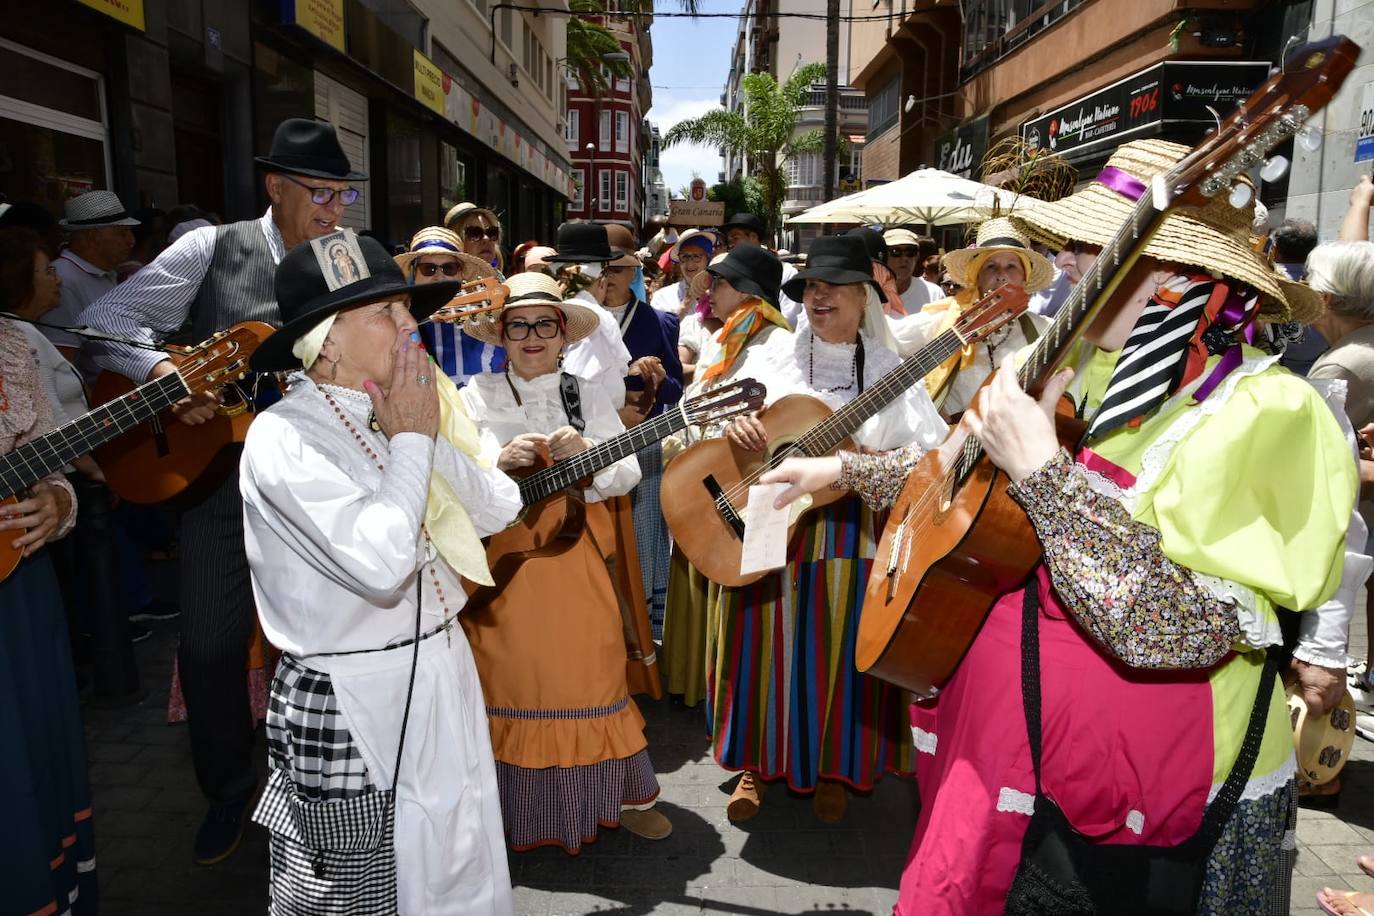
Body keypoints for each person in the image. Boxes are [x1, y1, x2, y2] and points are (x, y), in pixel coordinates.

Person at [767, 138, 1356, 913]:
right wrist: (844, 471)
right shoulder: (1094, 368)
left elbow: (1177, 630)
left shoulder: (1268, 412)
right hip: (1033, 756)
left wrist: (1043, 470)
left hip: (1161, 801)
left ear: (1175, 275)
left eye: (1090, 246)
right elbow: (967, 480)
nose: (1068, 264)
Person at [78, 117, 368, 865]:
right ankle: (229, 789)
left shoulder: (346, 258)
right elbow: (103, 322)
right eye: (320, 193)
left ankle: (337, 784)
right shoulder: (210, 247)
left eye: (343, 194)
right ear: (275, 187)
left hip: (324, 481)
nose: (335, 209)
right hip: (223, 483)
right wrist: (164, 375)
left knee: (331, 637)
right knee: (209, 646)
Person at [241, 230, 518, 913]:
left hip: (440, 667)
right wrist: (414, 439)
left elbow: (499, 507)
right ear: (327, 342)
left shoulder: (397, 410)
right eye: (385, 312)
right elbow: (380, 564)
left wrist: (423, 433)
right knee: (355, 894)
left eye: (405, 308)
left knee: (458, 859)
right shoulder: (284, 437)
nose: (408, 324)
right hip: (353, 694)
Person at [709, 234, 947, 823]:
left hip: (850, 523)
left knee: (838, 643)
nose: (821, 296)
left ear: (865, 296)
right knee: (761, 640)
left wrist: (864, 461)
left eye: (835, 286)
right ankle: (757, 764)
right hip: (773, 517)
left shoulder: (889, 368)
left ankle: (832, 766)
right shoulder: (774, 358)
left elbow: (933, 452)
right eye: (813, 285)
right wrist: (736, 427)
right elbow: (710, 415)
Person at [458, 272, 671, 851]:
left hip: (577, 554)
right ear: (502, 335)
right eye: (519, 326)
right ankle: (512, 813)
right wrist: (496, 462)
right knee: (509, 677)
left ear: (561, 334)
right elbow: (450, 479)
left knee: (591, 669)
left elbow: (626, 475)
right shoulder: (472, 396)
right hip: (503, 563)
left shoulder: (587, 392)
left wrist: (590, 453)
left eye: (544, 326)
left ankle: (614, 797)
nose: (532, 337)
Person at [663, 244, 790, 707]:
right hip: (705, 478)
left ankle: (734, 696)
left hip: (740, 484)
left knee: (737, 588)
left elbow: (776, 415)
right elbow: (698, 400)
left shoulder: (779, 344)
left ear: (746, 290)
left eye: (718, 283)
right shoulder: (725, 338)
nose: (709, 292)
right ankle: (699, 683)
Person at [0, 290, 92, 914]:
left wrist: (58, 500)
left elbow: (46, 457)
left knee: (24, 773)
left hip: (16, 592)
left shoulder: (10, 342)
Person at [902, 217, 1055, 416]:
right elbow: (886, 339)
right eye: (991, 266)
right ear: (977, 276)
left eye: (1012, 266)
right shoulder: (944, 320)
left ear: (1024, 278)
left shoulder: (1044, 330)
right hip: (953, 433)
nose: (1001, 275)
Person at [46, 190, 140, 380]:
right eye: (122, 233)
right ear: (93, 236)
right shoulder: (63, 280)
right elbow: (63, 366)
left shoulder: (105, 271)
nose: (131, 240)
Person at [400, 226, 501, 387]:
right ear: (414, 273)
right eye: (428, 269)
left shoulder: (486, 327)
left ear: (461, 274)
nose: (439, 276)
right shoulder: (397, 324)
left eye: (449, 268)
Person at [1271, 219, 1326, 376]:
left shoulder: (1264, 282)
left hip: (1269, 369)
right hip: (1315, 370)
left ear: (1275, 249)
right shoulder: (1327, 286)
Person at [650, 228, 717, 314]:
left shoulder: (720, 293)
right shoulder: (662, 296)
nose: (689, 263)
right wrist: (687, 302)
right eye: (684, 257)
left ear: (708, 259)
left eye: (696, 256)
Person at [883, 227, 943, 312]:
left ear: (917, 256)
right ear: (884, 256)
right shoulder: (870, 294)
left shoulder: (933, 293)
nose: (904, 258)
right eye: (896, 251)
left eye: (910, 251)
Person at [445, 202, 504, 274]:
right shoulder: (447, 280)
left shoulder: (500, 278)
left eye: (491, 232)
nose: (486, 238)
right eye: (475, 233)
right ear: (457, 241)